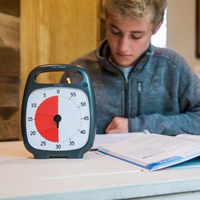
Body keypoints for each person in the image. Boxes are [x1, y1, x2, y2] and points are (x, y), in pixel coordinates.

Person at [60, 0, 200, 135]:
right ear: (106, 20)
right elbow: (56, 129)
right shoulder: (77, 74)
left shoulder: (173, 67)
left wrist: (139, 126)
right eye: (115, 31)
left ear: (156, 27)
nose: (123, 47)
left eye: (136, 36)